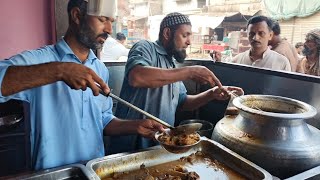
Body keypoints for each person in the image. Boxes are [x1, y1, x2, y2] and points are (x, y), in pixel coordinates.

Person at [0, 0, 164, 170]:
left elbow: (102, 120)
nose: (109, 29)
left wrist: (135, 126)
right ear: (77, 16)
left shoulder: (100, 69)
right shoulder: (39, 60)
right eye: (102, 19)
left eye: (111, 22)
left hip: (93, 170)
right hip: (53, 174)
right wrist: (60, 71)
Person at [108, 12, 243, 154]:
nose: (189, 42)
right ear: (167, 33)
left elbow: (183, 102)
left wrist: (211, 94)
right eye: (185, 35)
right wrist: (190, 71)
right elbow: (137, 77)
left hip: (160, 146)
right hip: (130, 146)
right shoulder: (145, 48)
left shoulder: (171, 65)